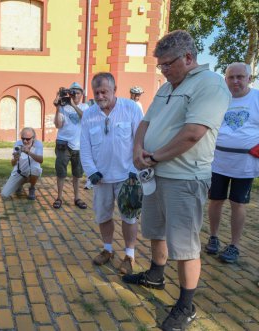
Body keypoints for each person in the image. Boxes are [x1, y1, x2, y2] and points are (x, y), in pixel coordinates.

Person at [122, 30, 231, 331]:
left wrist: (154, 156)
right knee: (156, 230)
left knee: (184, 245)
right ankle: (156, 274)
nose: (164, 70)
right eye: (160, 66)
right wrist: (137, 149)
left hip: (185, 177)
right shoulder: (167, 86)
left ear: (189, 57)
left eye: (168, 64)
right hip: (156, 175)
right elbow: (146, 121)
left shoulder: (211, 85)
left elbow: (193, 133)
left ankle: (186, 304)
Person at [80, 72, 143, 275]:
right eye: (96, 92)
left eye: (104, 92)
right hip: (101, 178)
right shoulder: (89, 115)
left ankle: (129, 255)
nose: (99, 96)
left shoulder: (131, 108)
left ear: (115, 90)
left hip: (127, 177)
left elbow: (140, 141)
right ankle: (107, 250)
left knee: (129, 218)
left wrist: (135, 170)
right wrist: (91, 172)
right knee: (103, 216)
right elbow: (85, 147)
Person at [205, 62, 259, 263]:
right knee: (215, 200)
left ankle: (234, 245)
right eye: (231, 77)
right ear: (225, 79)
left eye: (240, 77)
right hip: (218, 161)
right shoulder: (220, 99)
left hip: (245, 164)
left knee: (238, 204)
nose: (235, 81)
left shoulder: (256, 98)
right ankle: (213, 237)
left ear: (249, 79)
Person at [52, 82, 89, 209]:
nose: (74, 95)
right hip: (64, 143)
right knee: (61, 172)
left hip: (79, 145)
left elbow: (85, 119)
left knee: (77, 173)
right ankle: (59, 197)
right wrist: (57, 108)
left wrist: (73, 105)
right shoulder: (62, 106)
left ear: (82, 94)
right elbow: (58, 125)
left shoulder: (85, 107)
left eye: (77, 93)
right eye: (72, 93)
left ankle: (77, 198)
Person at [1, 127, 43, 200]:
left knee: (36, 170)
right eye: (23, 138)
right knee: (4, 194)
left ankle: (32, 188)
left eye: (27, 139)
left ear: (33, 138)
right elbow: (13, 164)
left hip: (32, 171)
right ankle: (19, 184)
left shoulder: (38, 144)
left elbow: (41, 160)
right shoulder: (17, 144)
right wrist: (15, 159)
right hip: (19, 172)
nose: (25, 141)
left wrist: (28, 152)